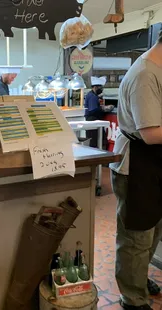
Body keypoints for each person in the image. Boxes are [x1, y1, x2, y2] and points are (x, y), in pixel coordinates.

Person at [109, 31, 162, 310]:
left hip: (154, 163)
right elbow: (152, 133)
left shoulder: (156, 69)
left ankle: (138, 280)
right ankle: (131, 296)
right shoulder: (145, 74)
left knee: (153, 230)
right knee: (136, 236)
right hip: (137, 165)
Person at [84, 76, 107, 147]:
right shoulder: (92, 97)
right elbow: (93, 110)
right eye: (100, 87)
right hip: (93, 122)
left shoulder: (92, 95)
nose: (101, 89)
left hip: (92, 122)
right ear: (96, 87)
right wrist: (104, 109)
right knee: (95, 142)